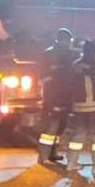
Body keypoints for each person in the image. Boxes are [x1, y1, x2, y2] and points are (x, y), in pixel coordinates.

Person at [64, 39, 95, 176]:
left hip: (79, 107)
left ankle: (71, 163)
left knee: (78, 134)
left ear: (82, 52)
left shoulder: (75, 66)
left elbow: (68, 85)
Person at [37, 28, 78, 164]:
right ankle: (43, 156)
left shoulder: (72, 54)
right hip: (52, 96)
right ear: (59, 40)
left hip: (66, 96)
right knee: (51, 126)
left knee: (61, 126)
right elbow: (43, 75)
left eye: (68, 40)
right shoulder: (49, 54)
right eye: (65, 40)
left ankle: (52, 153)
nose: (66, 43)